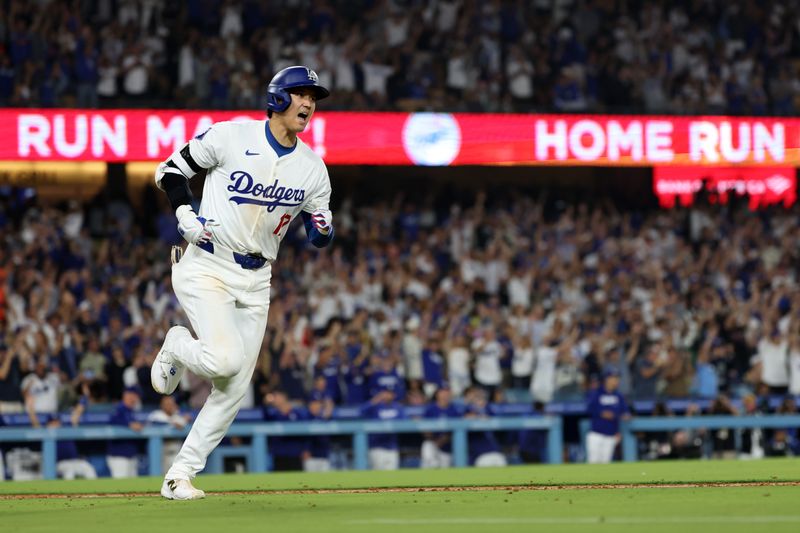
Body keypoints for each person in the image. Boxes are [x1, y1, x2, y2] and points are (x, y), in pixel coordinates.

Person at [149, 65, 333, 500]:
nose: (308, 103)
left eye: (314, 97)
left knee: (233, 388)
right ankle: (177, 342)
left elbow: (319, 227)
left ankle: (179, 475)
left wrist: (322, 229)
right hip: (207, 263)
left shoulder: (312, 168)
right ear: (277, 99)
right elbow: (169, 172)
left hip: (257, 278)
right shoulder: (231, 137)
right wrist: (183, 214)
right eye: (300, 93)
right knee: (225, 360)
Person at [585, 369, 630, 464]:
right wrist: (602, 413)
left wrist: (623, 416)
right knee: (593, 462)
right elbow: (589, 408)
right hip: (596, 433)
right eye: (613, 378)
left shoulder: (618, 396)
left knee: (606, 463)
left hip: (611, 434)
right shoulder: (597, 393)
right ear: (606, 379)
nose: (616, 381)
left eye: (617, 378)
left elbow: (625, 411)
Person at [146, 395, 191, 474]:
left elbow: (189, 420)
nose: (169, 406)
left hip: (177, 454)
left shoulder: (178, 416)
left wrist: (184, 420)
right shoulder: (157, 414)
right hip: (162, 454)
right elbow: (154, 423)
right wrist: (172, 424)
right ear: (162, 405)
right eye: (167, 404)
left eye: (171, 404)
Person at [107, 386, 144, 478]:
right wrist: (129, 424)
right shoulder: (119, 409)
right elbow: (113, 420)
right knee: (119, 488)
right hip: (119, 456)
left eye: (136, 396)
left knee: (133, 489)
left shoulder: (131, 412)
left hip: (131, 455)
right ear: (125, 395)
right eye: (132, 395)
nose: (134, 398)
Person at [421, 384, 461, 468]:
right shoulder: (430, 409)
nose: (445, 394)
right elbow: (424, 428)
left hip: (447, 446)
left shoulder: (455, 410)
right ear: (437, 394)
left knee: (444, 472)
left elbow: (457, 430)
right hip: (432, 442)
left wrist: (443, 440)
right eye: (442, 392)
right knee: (427, 447)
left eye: (447, 392)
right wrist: (434, 440)